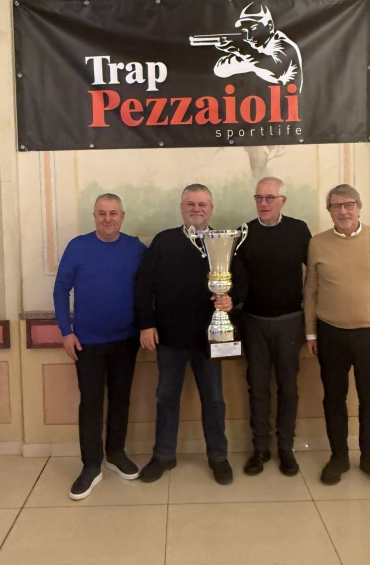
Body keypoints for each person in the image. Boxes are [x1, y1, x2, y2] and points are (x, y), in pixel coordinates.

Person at [135, 183, 246, 485]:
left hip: (210, 339)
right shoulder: (164, 241)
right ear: (182, 208)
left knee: (214, 400)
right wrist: (146, 324)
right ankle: (163, 456)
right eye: (191, 204)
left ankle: (218, 457)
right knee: (166, 398)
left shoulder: (224, 241)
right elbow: (144, 285)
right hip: (169, 338)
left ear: (211, 208)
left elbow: (242, 283)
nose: (197, 209)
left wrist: (231, 299)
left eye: (202, 204)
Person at [304, 184, 370, 489]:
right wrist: (311, 332)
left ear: (359, 207)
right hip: (330, 334)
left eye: (349, 204)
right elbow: (311, 290)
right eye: (336, 206)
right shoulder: (318, 243)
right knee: (334, 399)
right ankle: (339, 457)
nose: (343, 211)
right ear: (329, 211)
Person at [53, 193, 146, 500]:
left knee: (120, 399)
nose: (108, 219)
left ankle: (116, 453)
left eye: (113, 213)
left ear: (122, 216)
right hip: (87, 343)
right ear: (94, 216)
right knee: (91, 403)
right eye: (102, 213)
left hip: (126, 340)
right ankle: (91, 465)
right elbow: (60, 289)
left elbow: (152, 284)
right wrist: (66, 332)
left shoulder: (135, 248)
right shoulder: (78, 246)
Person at [237, 177, 311, 477]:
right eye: (259, 198)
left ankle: (285, 449)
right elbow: (237, 280)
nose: (264, 203)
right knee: (257, 388)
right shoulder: (244, 232)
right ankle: (260, 449)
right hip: (253, 322)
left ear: (283, 201)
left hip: (290, 323)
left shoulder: (299, 230)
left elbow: (315, 274)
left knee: (288, 388)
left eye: (270, 198)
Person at [212, 3, 303, 89]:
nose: (248, 36)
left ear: (269, 26)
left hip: (284, 98)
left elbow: (276, 69)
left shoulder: (283, 45)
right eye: (245, 30)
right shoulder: (253, 49)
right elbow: (220, 70)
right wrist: (239, 51)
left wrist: (241, 49)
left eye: (253, 28)